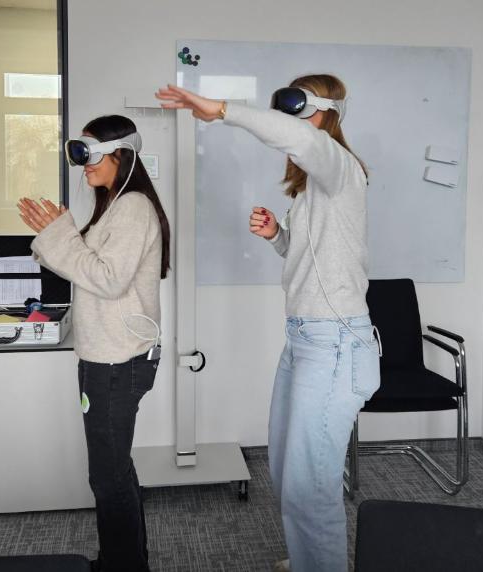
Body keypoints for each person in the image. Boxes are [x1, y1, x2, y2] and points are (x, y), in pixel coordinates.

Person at [156, 75, 380, 572]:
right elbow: (308, 258)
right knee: (284, 466)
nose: (290, 119)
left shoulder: (340, 167)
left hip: (334, 342)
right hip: (304, 338)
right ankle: (308, 561)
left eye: (298, 107)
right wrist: (279, 235)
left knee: (310, 482)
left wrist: (221, 110)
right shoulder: (311, 189)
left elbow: (301, 139)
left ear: (326, 111)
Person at [18, 114, 171, 572]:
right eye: (78, 152)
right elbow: (83, 265)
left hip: (117, 363)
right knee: (114, 469)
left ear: (121, 154)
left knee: (107, 476)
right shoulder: (114, 206)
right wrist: (59, 232)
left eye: (89, 152)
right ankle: (127, 561)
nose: (82, 162)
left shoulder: (134, 208)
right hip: (106, 358)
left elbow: (107, 279)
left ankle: (122, 565)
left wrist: (60, 235)